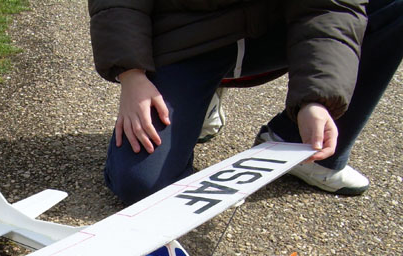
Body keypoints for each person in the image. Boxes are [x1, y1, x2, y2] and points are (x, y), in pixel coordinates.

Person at [88, 0, 403, 205]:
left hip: (273, 26)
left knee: (392, 7)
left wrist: (316, 100)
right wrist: (131, 73)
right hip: (183, 36)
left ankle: (300, 146)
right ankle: (194, 100)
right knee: (142, 184)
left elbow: (331, 8)